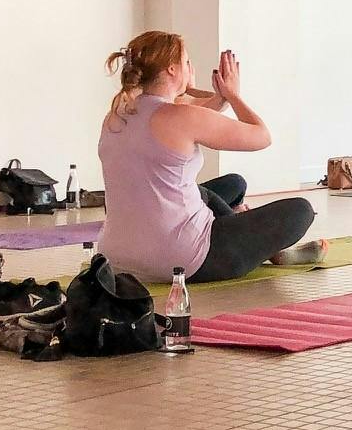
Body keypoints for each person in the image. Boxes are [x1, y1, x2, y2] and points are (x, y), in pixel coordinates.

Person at [97, 31, 317, 284]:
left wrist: (215, 95)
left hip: (116, 257)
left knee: (233, 183)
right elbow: (262, 136)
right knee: (301, 210)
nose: (191, 68)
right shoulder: (181, 116)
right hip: (183, 259)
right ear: (171, 69)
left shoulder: (117, 114)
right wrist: (233, 95)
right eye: (187, 62)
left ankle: (244, 227)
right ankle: (269, 248)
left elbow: (203, 109)